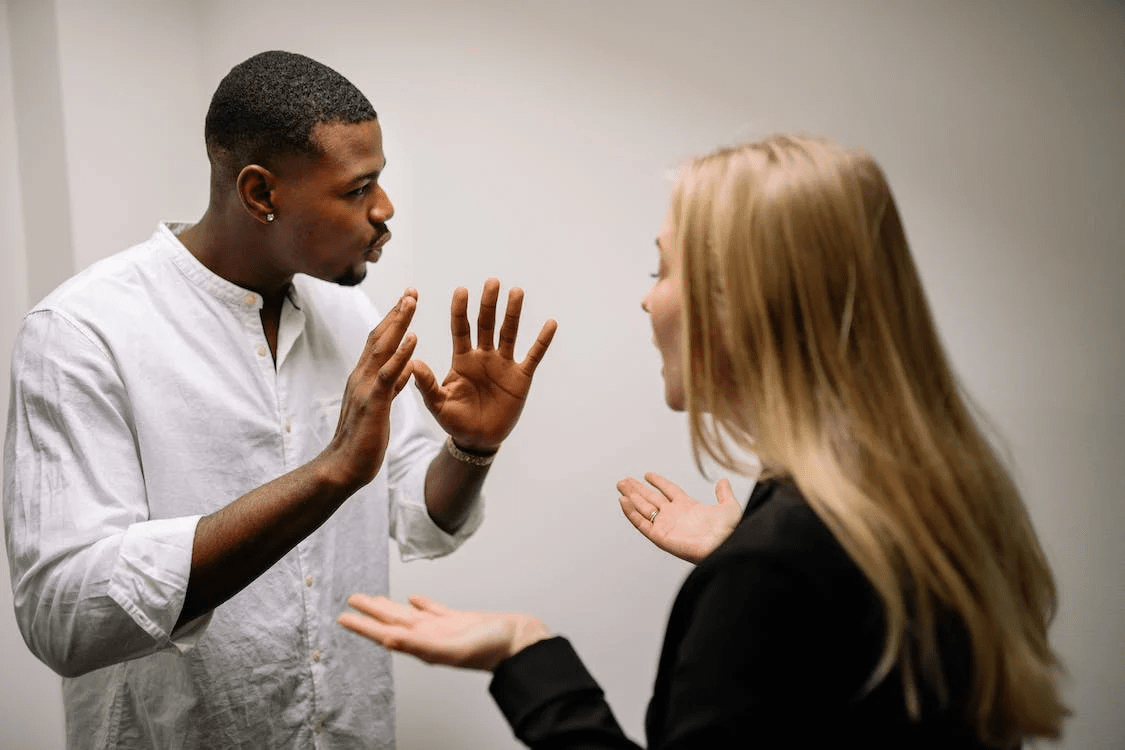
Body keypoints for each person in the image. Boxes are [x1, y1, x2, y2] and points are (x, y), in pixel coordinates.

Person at [338, 135, 1070, 748]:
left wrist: (526, 652)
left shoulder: (774, 569)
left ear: (741, 304)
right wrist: (757, 546)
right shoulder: (931, 498)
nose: (647, 297)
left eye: (662, 268)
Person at [3, 50, 556, 748]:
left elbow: (418, 517)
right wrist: (327, 475)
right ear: (262, 194)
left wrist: (471, 449)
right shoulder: (84, 333)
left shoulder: (351, 318)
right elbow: (65, 617)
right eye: (359, 189)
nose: (384, 212)